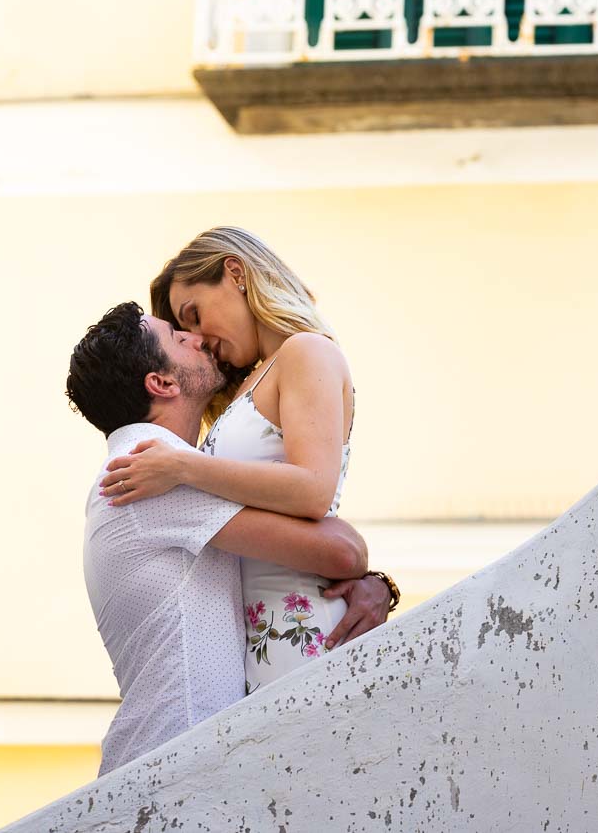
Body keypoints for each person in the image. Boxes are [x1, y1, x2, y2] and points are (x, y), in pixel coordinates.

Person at [67, 301, 393, 775]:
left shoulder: (162, 472)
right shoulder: (150, 475)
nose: (197, 338)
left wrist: (376, 584)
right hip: (172, 771)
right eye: (179, 338)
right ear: (161, 383)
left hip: (184, 764)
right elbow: (343, 551)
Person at [101, 227, 400, 694]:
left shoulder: (306, 351)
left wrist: (183, 467)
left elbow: (313, 489)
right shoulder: (249, 385)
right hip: (259, 644)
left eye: (194, 314)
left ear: (236, 273)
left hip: (306, 633)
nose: (198, 337)